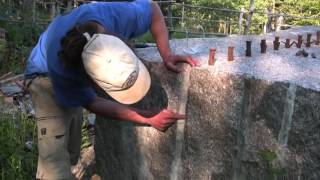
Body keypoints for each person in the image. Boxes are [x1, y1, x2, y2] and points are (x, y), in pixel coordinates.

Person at [24, 0, 198, 179]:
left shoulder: (117, 17)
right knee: (55, 158)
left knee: (71, 148)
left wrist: (166, 54)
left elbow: (153, 9)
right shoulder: (64, 72)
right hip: (45, 77)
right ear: (91, 80)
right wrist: (146, 117)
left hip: (72, 61)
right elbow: (93, 102)